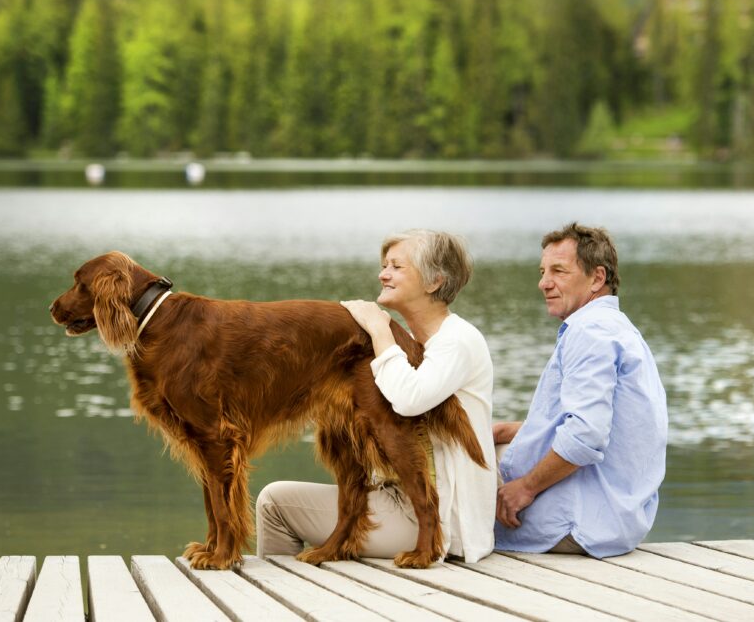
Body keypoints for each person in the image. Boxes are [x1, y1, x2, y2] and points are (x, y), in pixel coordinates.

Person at [256, 229, 497, 563]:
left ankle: (274, 600)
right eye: (385, 265)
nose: (383, 274)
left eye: (397, 267)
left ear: (433, 282)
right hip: (397, 499)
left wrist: (380, 329)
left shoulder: (458, 340)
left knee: (275, 504)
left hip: (439, 520)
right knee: (278, 495)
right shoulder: (412, 342)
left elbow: (409, 397)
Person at [493, 223, 667, 558]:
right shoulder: (617, 329)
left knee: (449, 495)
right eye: (543, 271)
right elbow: (609, 425)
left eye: (559, 271)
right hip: (620, 517)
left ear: (597, 278)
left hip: (581, 522)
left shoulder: (589, 332)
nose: (544, 283)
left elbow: (586, 435)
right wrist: (513, 430)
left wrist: (525, 489)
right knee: (488, 444)